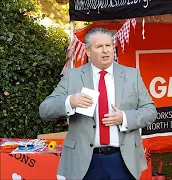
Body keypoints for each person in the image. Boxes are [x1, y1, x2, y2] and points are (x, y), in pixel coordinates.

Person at [39, 27, 157, 180]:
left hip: (123, 159)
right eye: (99, 47)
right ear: (88, 52)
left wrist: (125, 118)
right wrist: (70, 101)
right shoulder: (72, 76)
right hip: (84, 161)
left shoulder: (131, 75)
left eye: (108, 46)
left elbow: (150, 111)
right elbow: (45, 109)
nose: (105, 51)